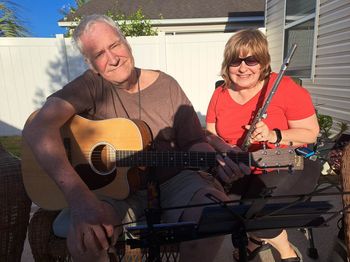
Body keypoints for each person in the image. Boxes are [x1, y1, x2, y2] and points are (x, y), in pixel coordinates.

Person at [22, 14, 238, 262]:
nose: (112, 59)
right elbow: (37, 128)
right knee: (85, 238)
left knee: (215, 214)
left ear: (126, 43)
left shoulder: (167, 85)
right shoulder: (91, 85)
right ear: (91, 65)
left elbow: (193, 143)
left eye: (114, 45)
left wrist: (221, 160)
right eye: (99, 54)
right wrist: (79, 199)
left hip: (174, 181)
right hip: (116, 193)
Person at [206, 29, 320, 262]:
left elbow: (311, 133)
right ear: (227, 64)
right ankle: (254, 245)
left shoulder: (286, 88)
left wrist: (273, 135)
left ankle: (286, 252)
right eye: (236, 60)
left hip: (287, 164)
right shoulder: (220, 93)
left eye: (251, 60)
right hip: (240, 168)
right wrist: (226, 149)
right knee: (221, 212)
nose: (243, 67)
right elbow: (209, 134)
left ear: (263, 63)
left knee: (257, 217)